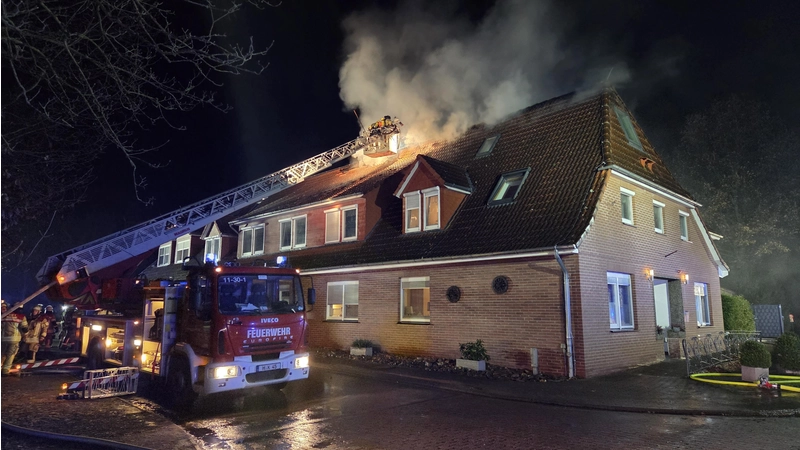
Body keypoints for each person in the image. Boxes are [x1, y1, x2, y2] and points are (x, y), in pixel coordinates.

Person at [1, 300, 28, 375]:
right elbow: (25, 328)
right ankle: (5, 370)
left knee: (1, 354)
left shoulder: (4, 316)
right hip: (14, 339)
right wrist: (25, 335)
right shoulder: (21, 316)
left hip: (3, 339)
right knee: (11, 355)